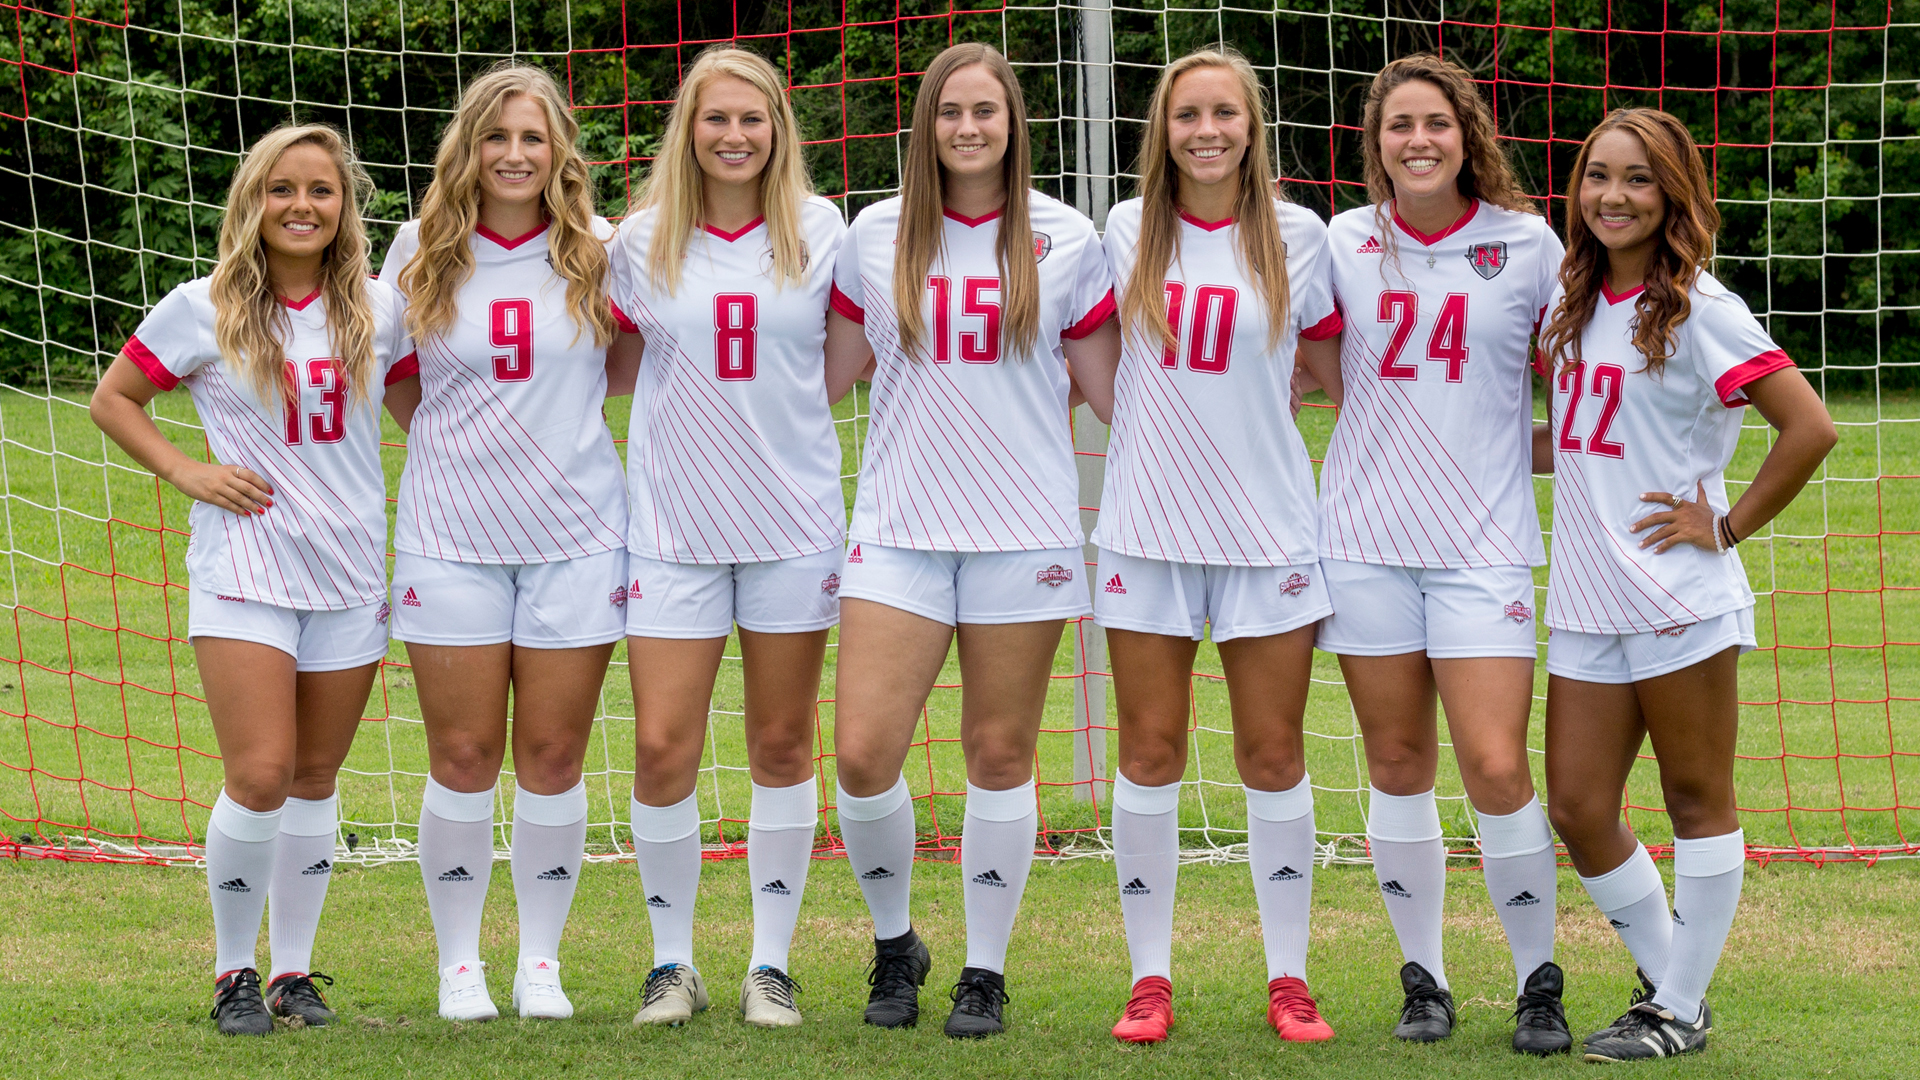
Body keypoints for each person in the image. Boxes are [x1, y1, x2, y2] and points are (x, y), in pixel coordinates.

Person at [90, 124, 418, 1035]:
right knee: (262, 771)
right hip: (245, 564)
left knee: (315, 775)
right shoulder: (201, 305)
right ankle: (234, 971)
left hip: (349, 568)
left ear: (345, 205)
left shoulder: (382, 310)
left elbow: (431, 409)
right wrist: (188, 471)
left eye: (320, 190)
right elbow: (113, 398)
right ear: (253, 202)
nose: (301, 206)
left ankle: (294, 976)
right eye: (282, 189)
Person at [822, 41, 1120, 1038]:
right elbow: (821, 376)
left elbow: (1114, 391)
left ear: (1012, 122)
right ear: (926, 123)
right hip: (899, 528)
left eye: (986, 110)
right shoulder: (875, 235)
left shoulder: (1065, 237)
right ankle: (895, 942)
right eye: (951, 110)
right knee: (863, 755)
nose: (968, 127)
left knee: (1000, 753)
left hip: (1023, 531)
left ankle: (984, 973)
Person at [1538, 107, 1834, 1062]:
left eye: (1636, 179)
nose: (1612, 196)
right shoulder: (1570, 299)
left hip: (1676, 595)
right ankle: (1677, 986)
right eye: (1597, 176)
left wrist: (1728, 521)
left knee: (1697, 796)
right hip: (1585, 596)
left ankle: (1674, 1007)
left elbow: (1810, 427)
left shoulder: (1701, 307)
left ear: (1673, 195)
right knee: (1579, 807)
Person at [1316, 54, 1571, 1052]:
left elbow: (1573, 393)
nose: (1417, 141)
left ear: (1467, 135)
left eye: (1435, 123)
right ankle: (1424, 980)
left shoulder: (1528, 244)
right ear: (1375, 144)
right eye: (1396, 127)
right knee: (1396, 763)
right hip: (1367, 545)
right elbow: (1317, 374)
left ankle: (1536, 980)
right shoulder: (1342, 242)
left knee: (1498, 765)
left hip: (1483, 550)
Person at [1091, 47, 1344, 1046]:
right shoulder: (1124, 230)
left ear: (1251, 125)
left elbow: (1325, 363)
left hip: (1267, 528)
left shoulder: (1299, 234)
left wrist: (1257, 413)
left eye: (1225, 113)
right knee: (1150, 751)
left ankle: (1290, 979)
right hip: (1147, 530)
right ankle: (1148, 979)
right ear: (1164, 127)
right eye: (1188, 112)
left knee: (1272, 752)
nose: (1207, 129)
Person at [381, 63, 641, 1021]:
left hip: (577, 536)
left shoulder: (601, 250)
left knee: (552, 754)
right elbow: (400, 383)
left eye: (533, 138)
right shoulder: (419, 248)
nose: (516, 155)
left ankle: (540, 963)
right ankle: (459, 966)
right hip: (450, 537)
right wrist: (467, 450)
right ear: (469, 148)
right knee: (461, 752)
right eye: (497, 137)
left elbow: (625, 368)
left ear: (559, 148)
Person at [608, 45, 847, 1029]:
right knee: (663, 747)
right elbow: (614, 366)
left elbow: (841, 363)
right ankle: (671, 965)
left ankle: (769, 966)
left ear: (778, 128)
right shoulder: (638, 239)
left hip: (792, 527)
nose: (736, 135)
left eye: (753, 119)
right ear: (689, 129)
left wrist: (768, 434)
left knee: (782, 742)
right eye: (717, 119)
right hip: (670, 529)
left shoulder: (823, 230)